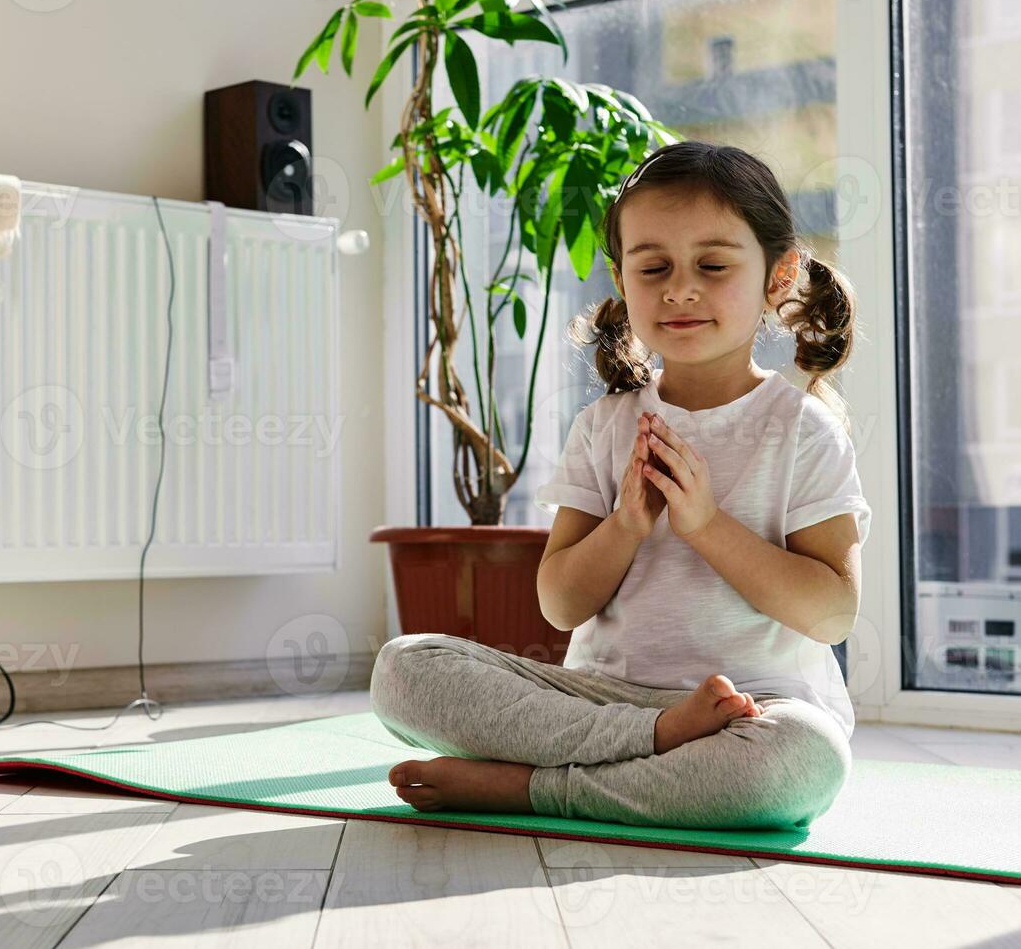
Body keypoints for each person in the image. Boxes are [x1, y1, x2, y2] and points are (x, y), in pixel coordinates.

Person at [369, 140, 872, 831]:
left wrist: (705, 527)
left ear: (777, 274)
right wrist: (626, 526)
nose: (679, 289)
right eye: (653, 267)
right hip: (598, 703)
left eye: (712, 265)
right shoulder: (604, 426)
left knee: (801, 764)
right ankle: (653, 745)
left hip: (753, 709)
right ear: (620, 278)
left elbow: (830, 614)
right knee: (403, 669)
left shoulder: (803, 431)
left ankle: (532, 790)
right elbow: (560, 605)